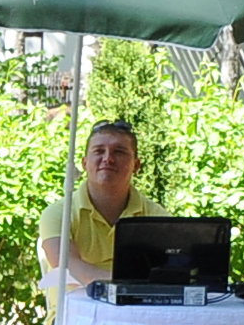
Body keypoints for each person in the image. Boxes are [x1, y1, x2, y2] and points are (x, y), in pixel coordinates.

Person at [37, 118, 162, 297]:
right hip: (71, 319)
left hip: (135, 314)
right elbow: (65, 265)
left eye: (119, 152)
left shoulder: (157, 217)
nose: (108, 159)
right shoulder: (58, 214)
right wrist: (128, 285)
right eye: (99, 151)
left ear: (136, 165)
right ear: (84, 163)